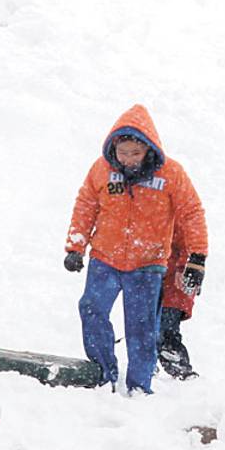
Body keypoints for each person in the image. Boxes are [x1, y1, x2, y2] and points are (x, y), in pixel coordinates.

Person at [65, 104, 207, 396]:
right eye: (123, 153)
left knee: (141, 328)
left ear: (148, 149)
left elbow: (192, 213)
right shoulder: (102, 170)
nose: (128, 159)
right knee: (91, 309)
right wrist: (75, 245)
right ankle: (102, 372)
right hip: (105, 259)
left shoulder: (171, 174)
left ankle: (140, 385)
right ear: (113, 148)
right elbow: (85, 205)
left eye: (135, 153)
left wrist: (196, 259)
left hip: (147, 265)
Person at [155, 221, 202, 381]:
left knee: (165, 329)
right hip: (166, 277)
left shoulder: (183, 217)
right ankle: (153, 363)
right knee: (156, 327)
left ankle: (180, 368)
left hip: (177, 279)